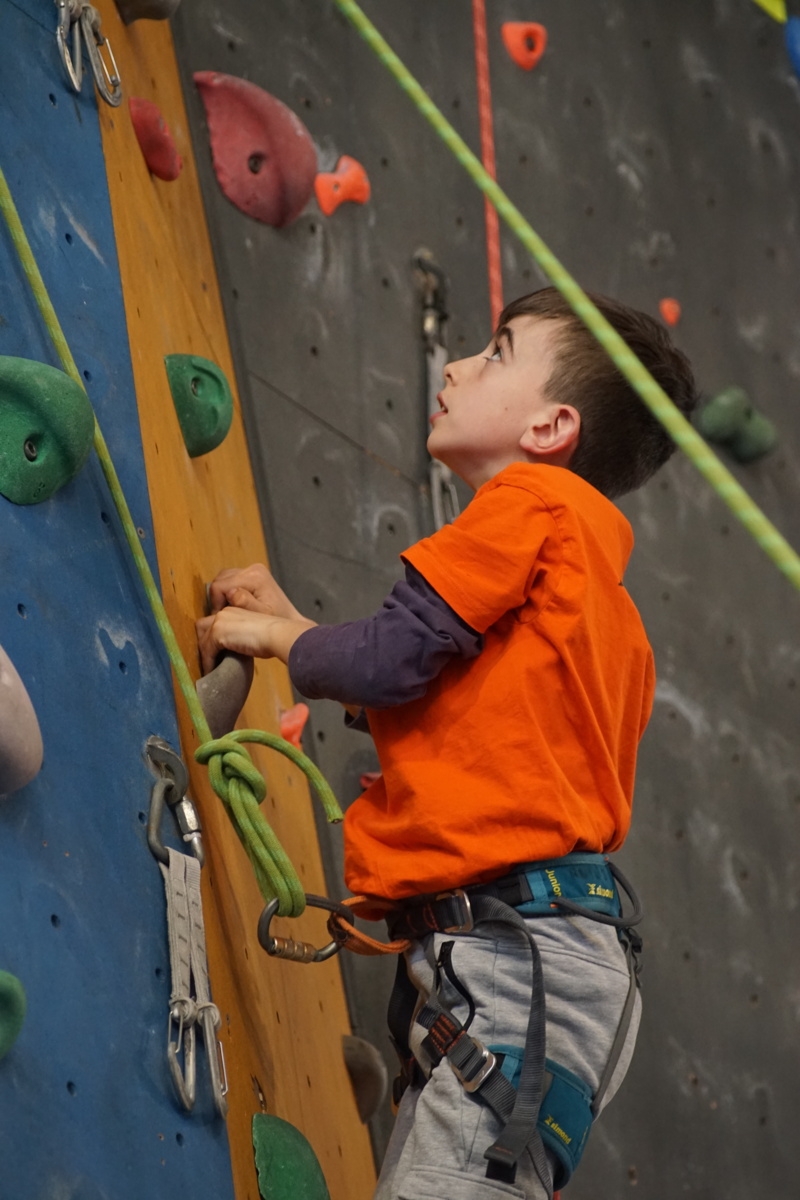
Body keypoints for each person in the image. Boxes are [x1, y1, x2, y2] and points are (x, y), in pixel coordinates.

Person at [196, 287, 698, 1200]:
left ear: (551, 427)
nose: (459, 365)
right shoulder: (609, 611)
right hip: (552, 961)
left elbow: (388, 662)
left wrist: (277, 638)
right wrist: (300, 628)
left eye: (497, 351)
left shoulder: (531, 504)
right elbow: (465, 721)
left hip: (518, 962)